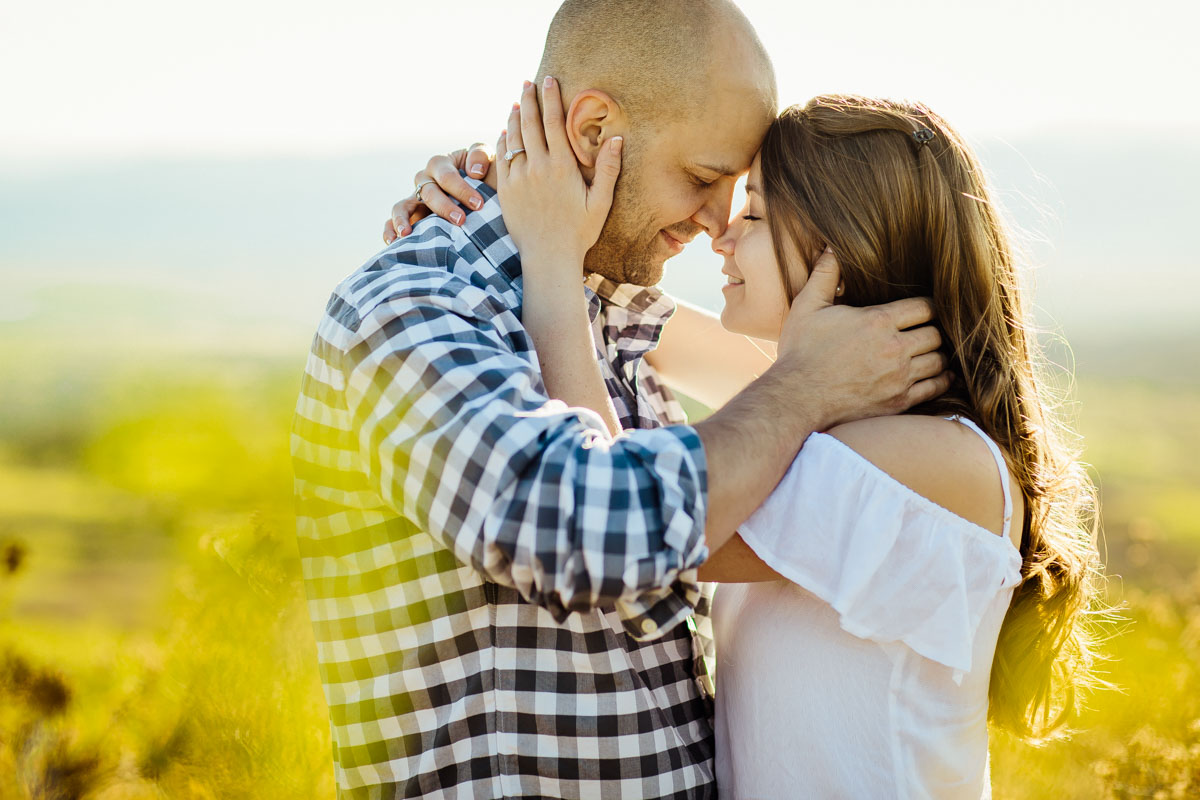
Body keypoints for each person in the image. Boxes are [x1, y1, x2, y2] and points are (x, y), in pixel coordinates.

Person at [292, 1, 949, 797]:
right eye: (705, 179)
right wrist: (801, 386)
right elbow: (585, 533)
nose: (717, 226)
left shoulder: (602, 308)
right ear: (593, 129)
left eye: (740, 192)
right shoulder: (412, 309)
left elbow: (836, 380)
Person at [405, 88, 1103, 797]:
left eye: (758, 212)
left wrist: (549, 259)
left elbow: (640, 536)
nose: (723, 234)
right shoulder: (829, 405)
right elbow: (616, 310)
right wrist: (486, 209)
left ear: (846, 249)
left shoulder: (933, 460)